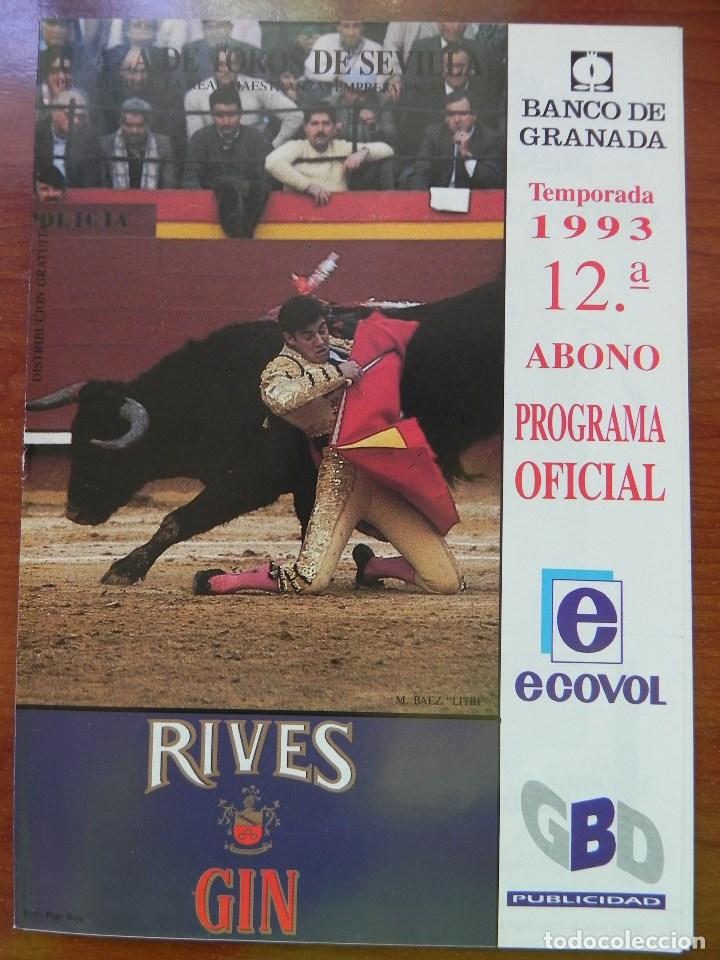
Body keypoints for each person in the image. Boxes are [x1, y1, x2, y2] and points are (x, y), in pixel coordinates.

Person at [193, 296, 462, 598]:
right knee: (310, 580)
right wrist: (337, 374)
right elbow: (280, 398)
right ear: (290, 339)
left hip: (379, 471)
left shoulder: (338, 349)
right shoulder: (281, 369)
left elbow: (385, 355)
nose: (320, 340)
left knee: (445, 581)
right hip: (341, 478)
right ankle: (230, 581)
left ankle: (373, 566)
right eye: (308, 336)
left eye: (322, 330)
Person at [265, 106, 394, 204]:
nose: (320, 129)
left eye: (326, 124)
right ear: (305, 127)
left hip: (338, 212)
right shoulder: (297, 146)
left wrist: (364, 152)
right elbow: (271, 163)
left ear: (334, 128)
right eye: (314, 124)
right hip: (301, 212)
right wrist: (309, 187)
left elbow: (387, 149)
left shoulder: (340, 146)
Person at [184, 47, 303, 147]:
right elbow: (195, 140)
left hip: (254, 154)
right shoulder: (194, 95)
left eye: (232, 64)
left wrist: (273, 147)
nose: (226, 70)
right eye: (220, 65)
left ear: (239, 66)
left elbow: (295, 115)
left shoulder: (257, 86)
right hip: (215, 158)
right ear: (212, 66)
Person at [409, 91, 505, 190]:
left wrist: (467, 158)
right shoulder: (433, 135)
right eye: (451, 114)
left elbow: (492, 181)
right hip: (439, 197)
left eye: (462, 114)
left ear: (474, 115)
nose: (456, 119)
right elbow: (421, 173)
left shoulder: (491, 139)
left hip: (473, 199)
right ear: (446, 118)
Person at [100, 97, 176, 188]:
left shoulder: (163, 145)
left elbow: (168, 186)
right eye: (129, 125)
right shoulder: (106, 145)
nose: (134, 130)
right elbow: (102, 186)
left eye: (140, 125)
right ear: (120, 123)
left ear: (148, 124)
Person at [34, 87, 102, 187]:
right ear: (54, 112)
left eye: (81, 117)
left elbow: (90, 182)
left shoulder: (89, 140)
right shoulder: (37, 134)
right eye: (70, 114)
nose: (76, 121)